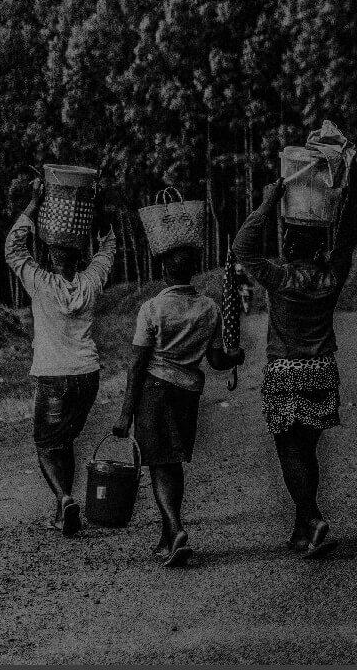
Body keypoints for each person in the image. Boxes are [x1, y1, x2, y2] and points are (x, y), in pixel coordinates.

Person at [231, 177, 357, 558]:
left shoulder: (281, 278)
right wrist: (348, 196)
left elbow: (242, 247)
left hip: (286, 372)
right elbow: (348, 237)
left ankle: (314, 517)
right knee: (307, 451)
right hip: (321, 370)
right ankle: (302, 530)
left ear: (287, 245)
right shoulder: (331, 276)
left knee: (289, 451)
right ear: (323, 245)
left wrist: (269, 202)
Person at [112, 241, 236, 567]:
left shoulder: (152, 309)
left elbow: (137, 364)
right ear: (192, 272)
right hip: (187, 394)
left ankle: (177, 528)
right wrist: (234, 356)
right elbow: (217, 359)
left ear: (164, 271)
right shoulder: (210, 309)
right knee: (173, 461)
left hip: (154, 391)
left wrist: (126, 413)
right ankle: (168, 537)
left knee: (159, 464)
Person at [4, 181, 118, 537]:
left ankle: (65, 497)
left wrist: (33, 206)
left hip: (54, 378)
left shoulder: (39, 282)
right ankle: (61, 507)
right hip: (88, 375)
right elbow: (109, 246)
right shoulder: (91, 281)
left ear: (52, 256)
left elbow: (13, 249)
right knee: (64, 439)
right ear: (80, 254)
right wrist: (97, 213)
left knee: (45, 442)